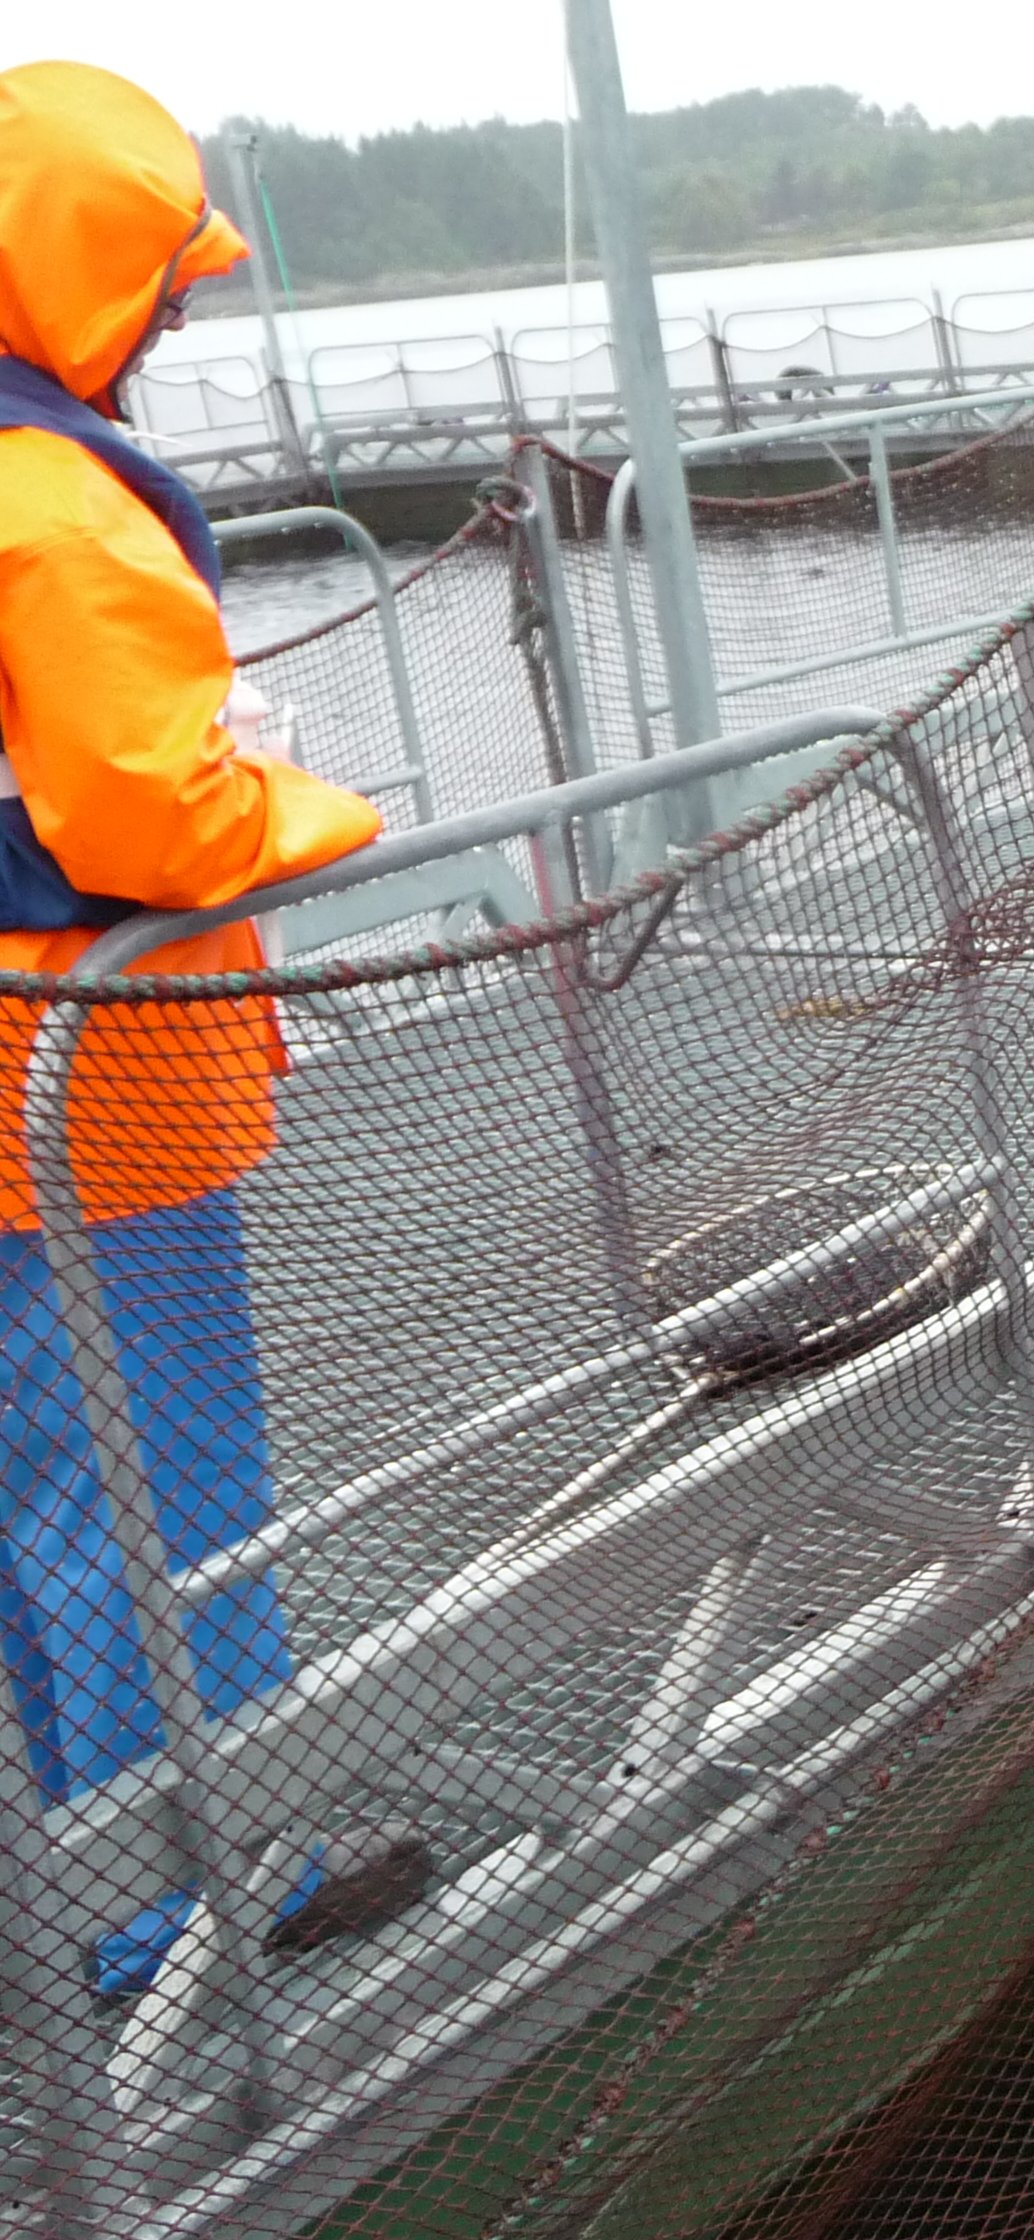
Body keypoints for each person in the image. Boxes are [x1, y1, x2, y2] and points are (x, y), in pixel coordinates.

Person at [0, 61, 380, 1815]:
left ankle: (111, 1865)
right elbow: (158, 819)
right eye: (156, 281)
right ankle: (225, 1885)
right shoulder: (56, 511)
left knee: (50, 1501)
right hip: (95, 1083)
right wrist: (316, 808)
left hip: (27, 1083)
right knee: (169, 1498)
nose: (162, 319)